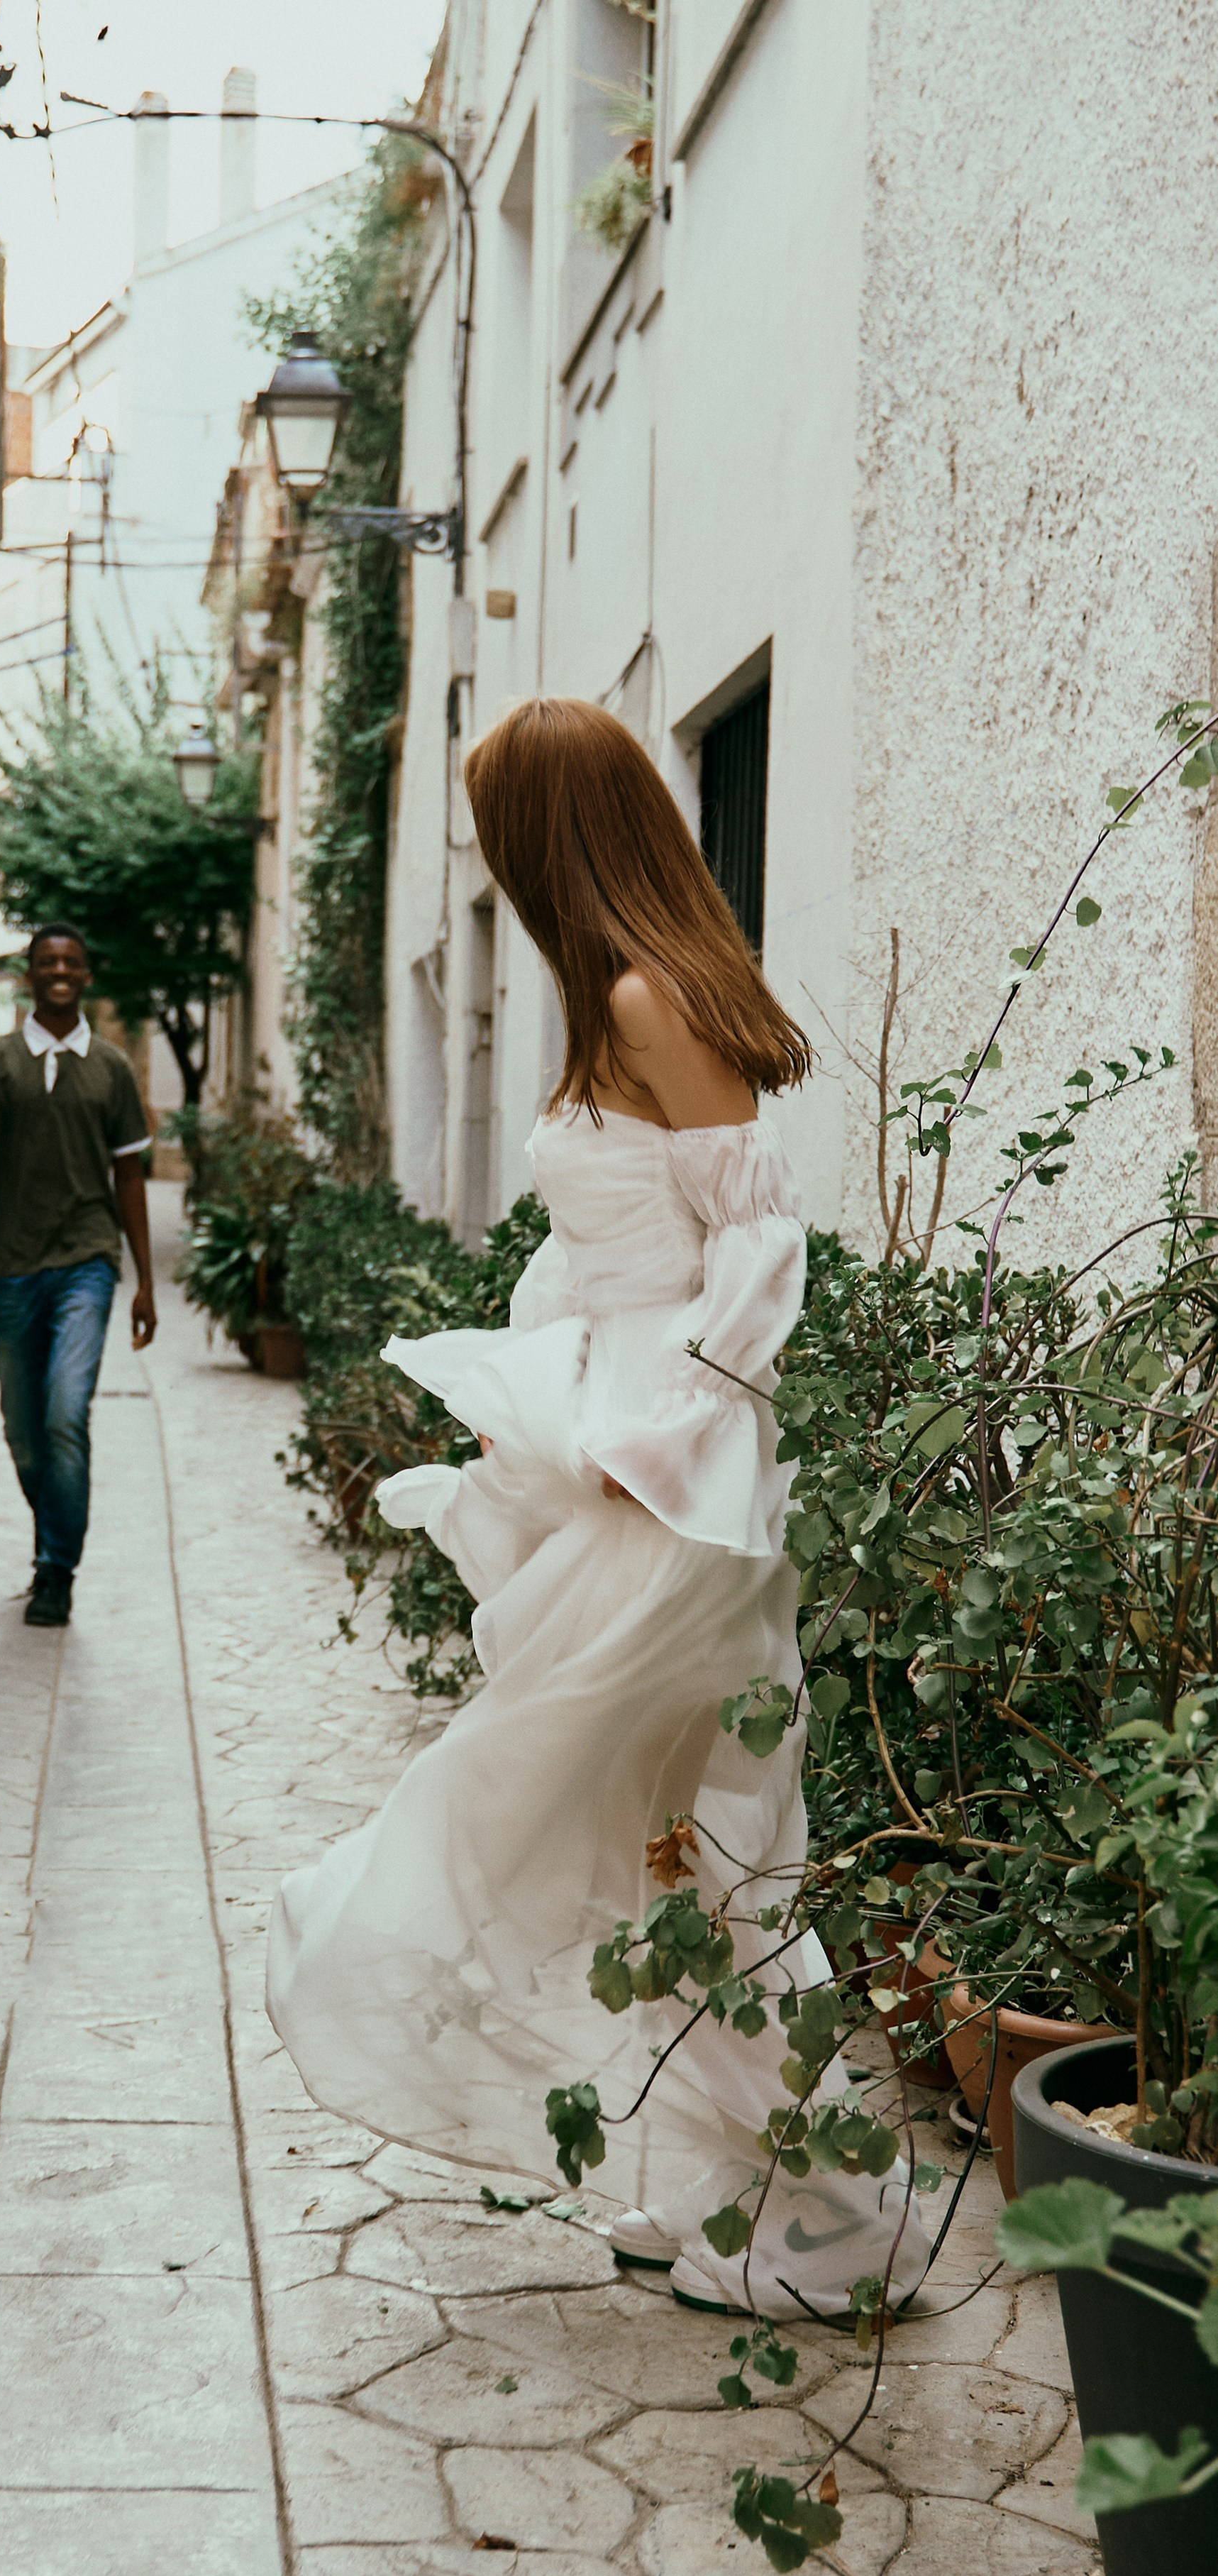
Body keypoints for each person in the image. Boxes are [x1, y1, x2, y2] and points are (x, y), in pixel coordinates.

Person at [267, 699, 930, 2318]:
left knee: (669, 1839)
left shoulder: (644, 996)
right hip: (627, 1465)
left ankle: (837, 2220)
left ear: (552, 839)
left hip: (672, 1487)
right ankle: (725, 2179)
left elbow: (757, 1252)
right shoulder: (615, 1000)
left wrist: (667, 1428)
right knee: (654, 1846)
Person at [0, 922, 155, 1627]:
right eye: (46, 962)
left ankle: (55, 1570)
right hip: (13, 1261)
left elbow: (129, 1177)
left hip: (87, 1260)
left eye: (71, 960)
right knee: (22, 1429)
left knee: (66, 1411)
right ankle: (54, 1532)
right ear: (28, 974)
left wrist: (145, 1283)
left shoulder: (113, 1069)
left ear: (86, 974)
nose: (59, 970)